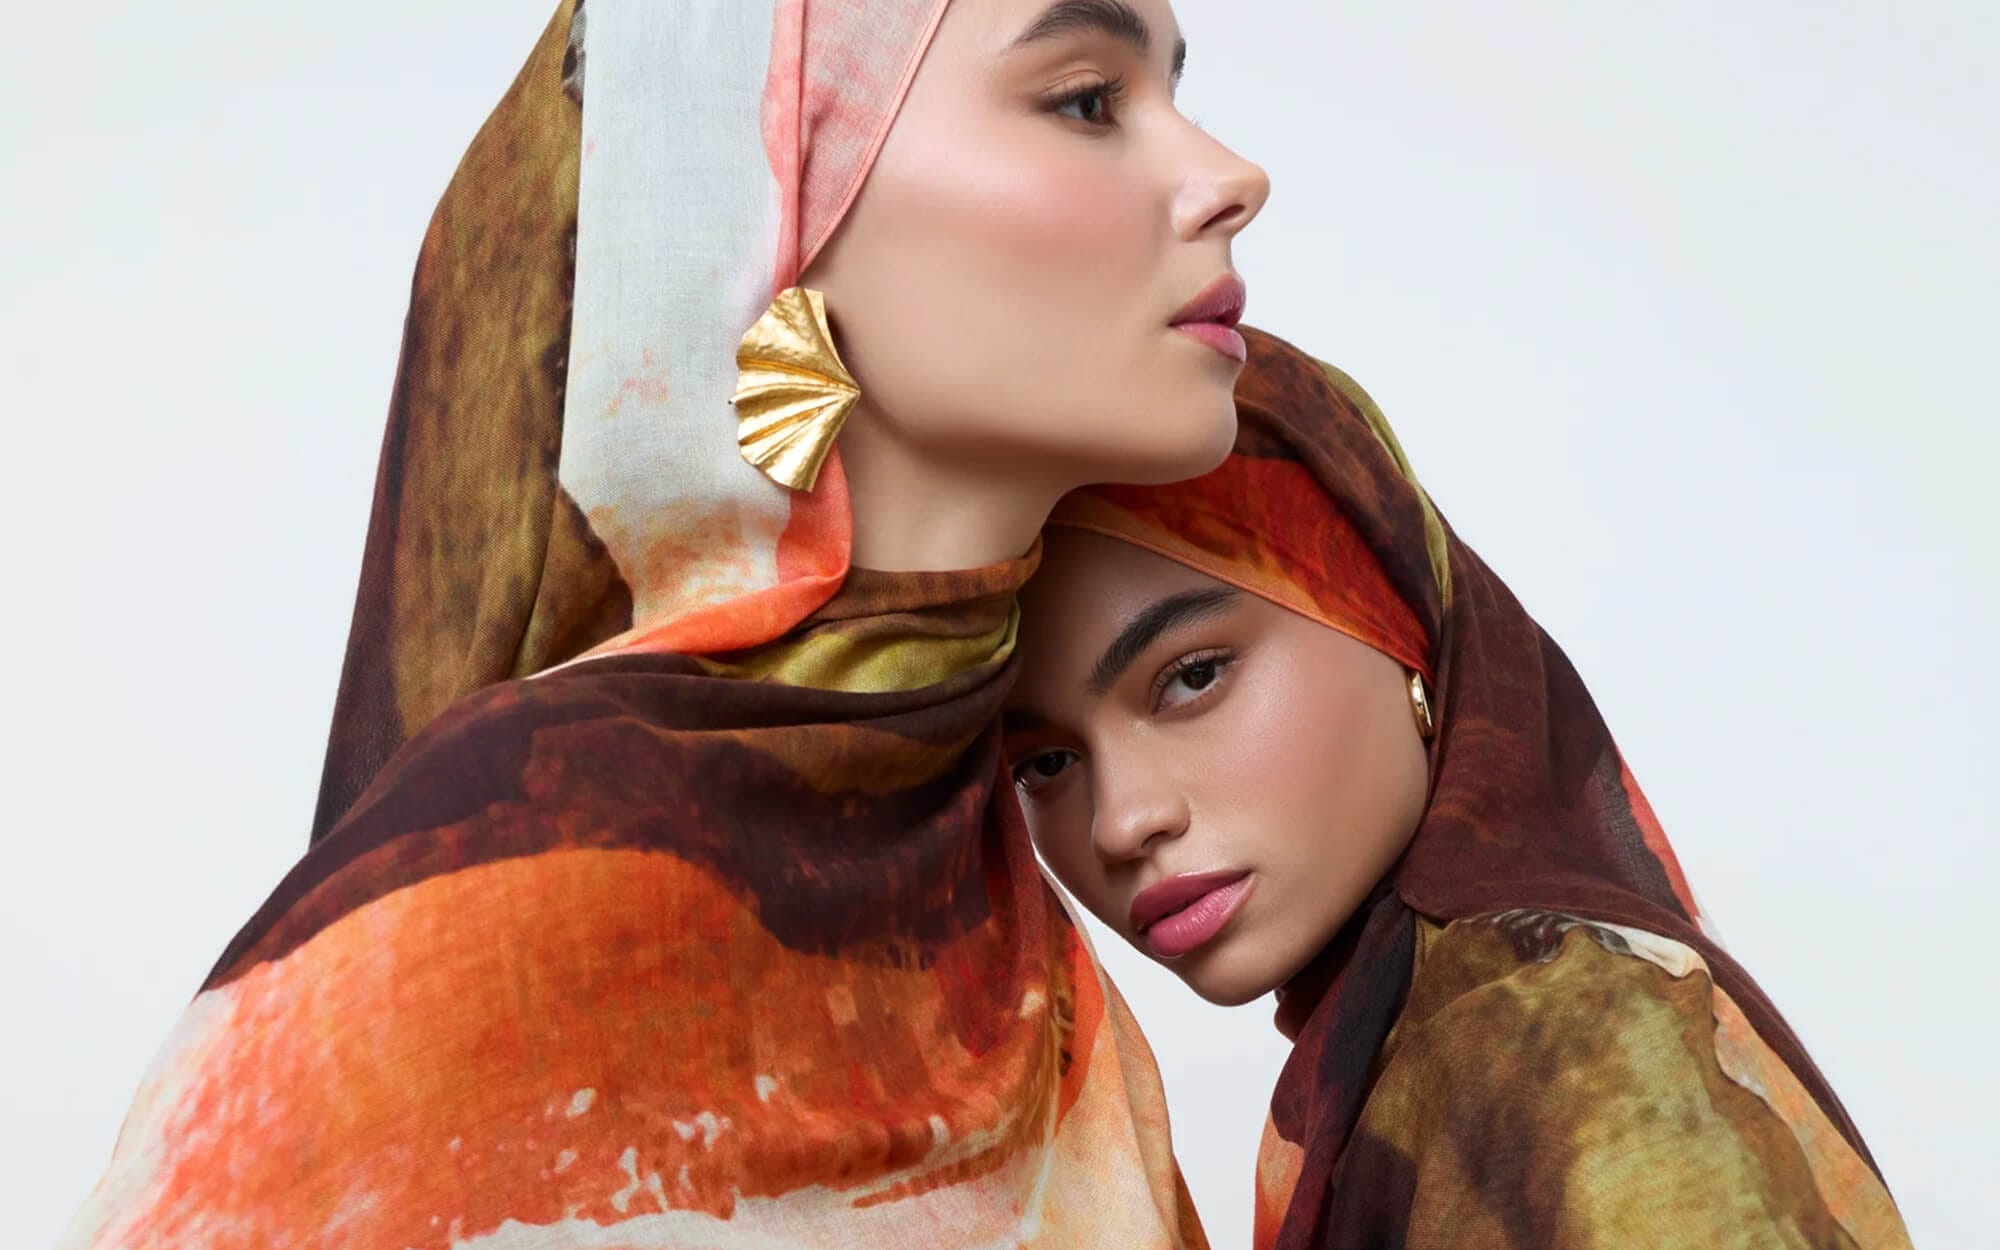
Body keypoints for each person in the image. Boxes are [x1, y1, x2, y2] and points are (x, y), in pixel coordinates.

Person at [59, 1, 1266, 1246]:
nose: (1233, 177)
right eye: (1085, 101)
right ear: (770, 207)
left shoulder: (990, 897)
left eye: (1169, 93)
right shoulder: (523, 885)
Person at [1006, 329, 1914, 1249]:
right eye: (1042, 763)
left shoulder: (1558, 1044)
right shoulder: (1411, 1051)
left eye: (1193, 676)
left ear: (1398, 622)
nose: (1122, 822)